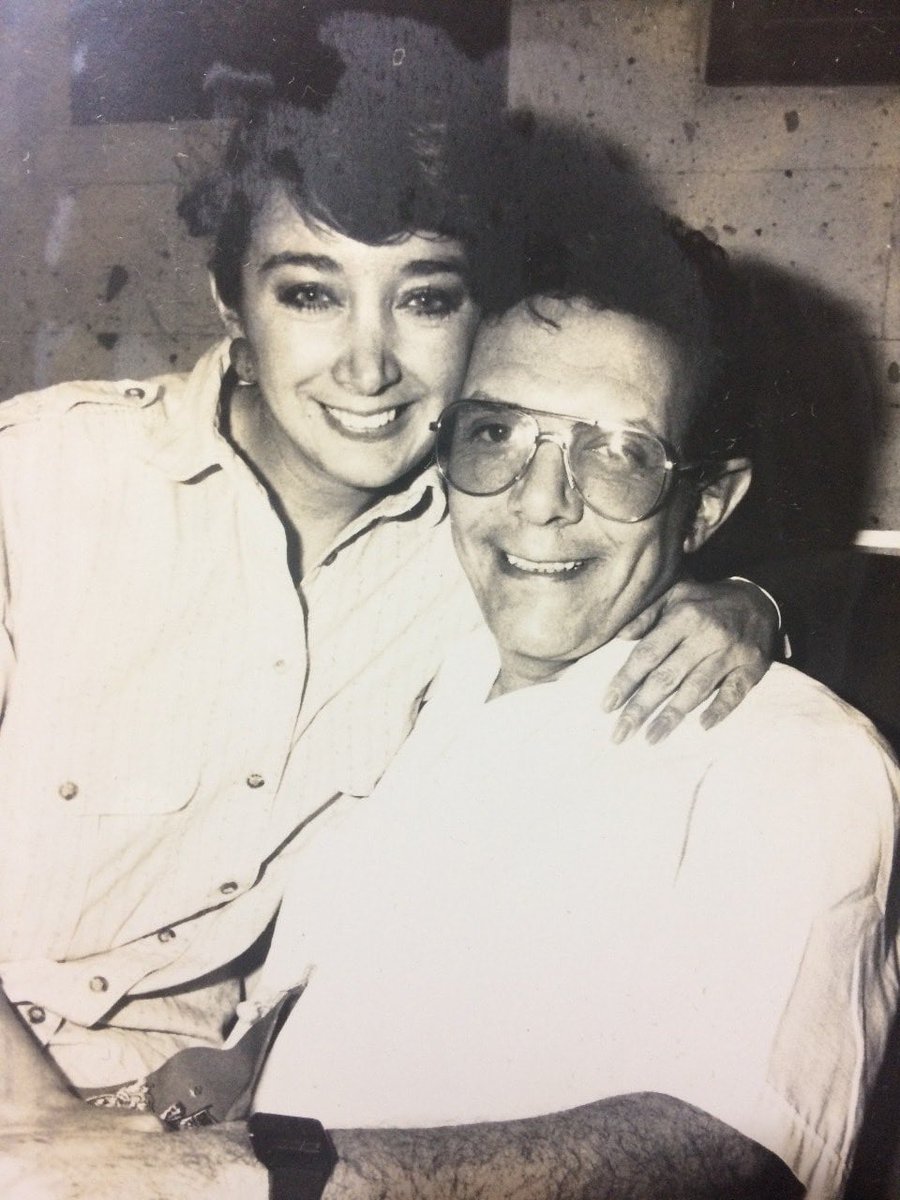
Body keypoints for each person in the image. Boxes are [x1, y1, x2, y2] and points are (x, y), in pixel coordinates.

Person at [5, 100, 895, 1200]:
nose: (540, 505)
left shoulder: (787, 759)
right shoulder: (448, 660)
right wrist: (175, 1101)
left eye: (616, 455)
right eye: (498, 435)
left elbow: (736, 1143)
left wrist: (230, 1173)